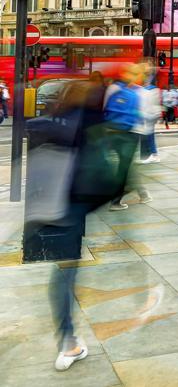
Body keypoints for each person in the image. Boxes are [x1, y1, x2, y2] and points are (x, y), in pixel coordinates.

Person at [47, 76, 120, 372]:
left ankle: (67, 342)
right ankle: (68, 344)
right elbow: (103, 172)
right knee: (66, 270)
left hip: (50, 204)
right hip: (75, 203)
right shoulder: (93, 124)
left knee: (61, 272)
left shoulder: (53, 121)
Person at [106, 65, 149, 211]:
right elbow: (142, 115)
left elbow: (105, 109)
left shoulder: (113, 89)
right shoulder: (138, 93)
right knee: (125, 168)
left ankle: (138, 193)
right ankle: (116, 200)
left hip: (111, 130)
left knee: (122, 166)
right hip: (129, 134)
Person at [137, 68, 162, 164]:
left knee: (149, 135)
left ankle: (154, 154)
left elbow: (149, 104)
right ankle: (153, 154)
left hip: (148, 116)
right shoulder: (151, 89)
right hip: (149, 116)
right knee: (149, 135)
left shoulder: (150, 90)